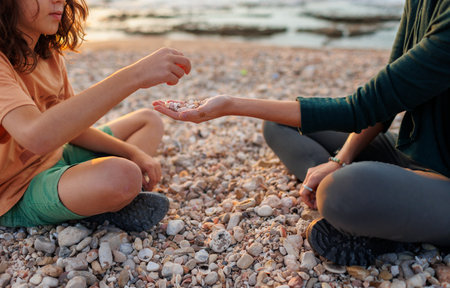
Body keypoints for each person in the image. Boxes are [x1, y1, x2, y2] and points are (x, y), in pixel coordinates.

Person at [153, 0, 450, 265]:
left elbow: (359, 108)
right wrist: (339, 160)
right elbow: (383, 103)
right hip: (411, 154)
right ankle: (375, 213)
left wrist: (231, 104)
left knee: (340, 191)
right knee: (279, 125)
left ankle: (374, 219)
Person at [0, 0, 191, 232]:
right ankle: (106, 203)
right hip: (14, 190)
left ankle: (101, 200)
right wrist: (136, 75)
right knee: (124, 176)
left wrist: (132, 151)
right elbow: (36, 136)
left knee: (148, 120)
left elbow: (71, 129)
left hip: (57, 155)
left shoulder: (48, 54)